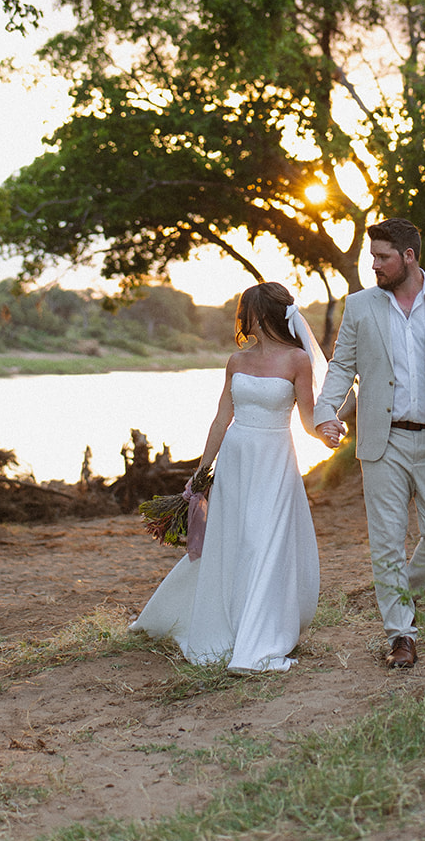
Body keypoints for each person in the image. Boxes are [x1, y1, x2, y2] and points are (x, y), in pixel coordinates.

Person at [313, 217, 425, 670]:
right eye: (372, 256)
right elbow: (341, 367)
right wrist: (325, 413)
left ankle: (400, 596)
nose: (374, 265)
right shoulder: (360, 307)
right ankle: (401, 635)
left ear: (408, 257)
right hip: (383, 441)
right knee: (387, 544)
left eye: (382, 257)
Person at [131, 281, 338, 673]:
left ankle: (258, 641)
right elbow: (221, 418)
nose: (242, 319)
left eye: (247, 311)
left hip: (275, 460)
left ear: (261, 315)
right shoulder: (236, 361)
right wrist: (201, 471)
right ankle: (228, 624)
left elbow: (308, 418)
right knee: (234, 542)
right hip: (236, 460)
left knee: (264, 544)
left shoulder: (297, 361)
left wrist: (325, 431)